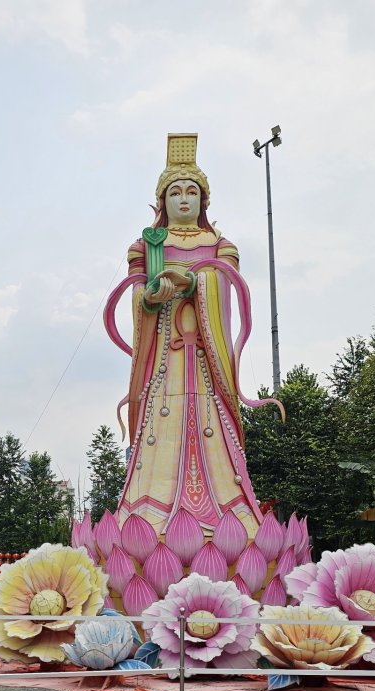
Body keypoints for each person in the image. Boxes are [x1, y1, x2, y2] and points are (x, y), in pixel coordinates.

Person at [104, 133, 284, 538]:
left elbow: (223, 284)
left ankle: (227, 520)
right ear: (162, 201)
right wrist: (150, 297)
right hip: (165, 367)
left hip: (204, 365)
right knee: (159, 440)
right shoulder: (145, 246)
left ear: (204, 201)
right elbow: (138, 296)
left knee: (212, 435)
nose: (183, 200)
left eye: (192, 192)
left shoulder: (220, 244)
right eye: (174, 192)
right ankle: (147, 519)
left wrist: (192, 282)